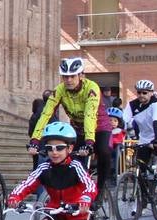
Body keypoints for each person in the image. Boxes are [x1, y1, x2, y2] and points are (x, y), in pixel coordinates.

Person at [30, 58, 113, 197]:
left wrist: (89, 142)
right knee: (71, 160)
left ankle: (100, 189)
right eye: (65, 76)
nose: (68, 80)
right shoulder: (60, 90)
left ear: (81, 75)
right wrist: (35, 140)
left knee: (104, 151)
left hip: (99, 126)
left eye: (72, 76)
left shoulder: (91, 88)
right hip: (78, 129)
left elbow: (90, 116)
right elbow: (45, 114)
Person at [125, 82, 157, 188]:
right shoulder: (132, 105)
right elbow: (124, 121)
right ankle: (144, 197)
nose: (141, 95)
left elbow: (156, 120)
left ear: (151, 93)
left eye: (145, 93)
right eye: (139, 92)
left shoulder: (156, 103)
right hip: (145, 137)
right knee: (141, 167)